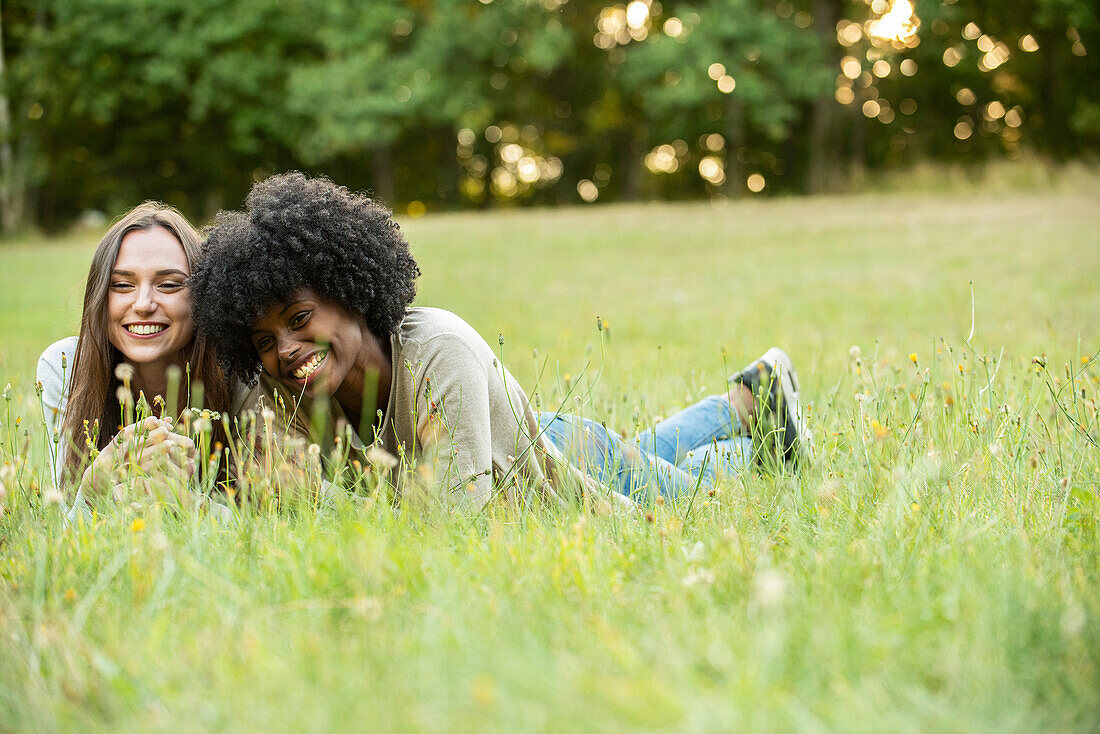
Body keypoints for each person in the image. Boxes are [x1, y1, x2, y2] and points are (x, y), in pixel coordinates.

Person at [189, 173, 812, 512]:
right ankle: (744, 403)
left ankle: (749, 421)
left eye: (300, 317)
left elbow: (455, 524)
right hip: (519, 437)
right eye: (264, 340)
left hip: (547, 459)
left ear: (348, 290)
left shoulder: (439, 349)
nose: (287, 348)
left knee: (703, 498)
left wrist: (317, 502)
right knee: (648, 454)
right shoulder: (278, 387)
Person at [37, 202, 234, 520]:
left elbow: (280, 522)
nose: (143, 304)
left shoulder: (239, 368)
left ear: (204, 295)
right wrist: (94, 490)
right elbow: (61, 531)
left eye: (169, 284)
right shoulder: (64, 366)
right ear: (100, 296)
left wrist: (188, 503)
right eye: (122, 285)